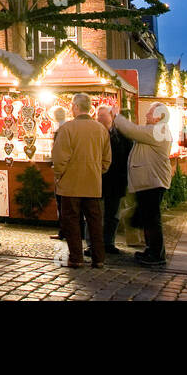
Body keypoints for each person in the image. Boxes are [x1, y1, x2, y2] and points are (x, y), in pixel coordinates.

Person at [52, 94, 111, 269]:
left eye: (72, 106)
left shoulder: (68, 128)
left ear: (76, 107)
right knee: (94, 222)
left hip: (70, 185)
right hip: (93, 185)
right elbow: (107, 159)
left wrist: (59, 175)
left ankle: (76, 258)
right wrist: (96, 172)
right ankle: (98, 258)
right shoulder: (100, 129)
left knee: (71, 222)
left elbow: (60, 157)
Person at [114, 102, 174, 267]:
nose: (146, 115)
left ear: (158, 116)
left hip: (152, 181)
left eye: (150, 113)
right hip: (150, 180)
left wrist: (117, 117)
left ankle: (156, 254)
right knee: (149, 218)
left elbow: (132, 131)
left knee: (152, 219)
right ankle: (151, 250)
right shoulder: (156, 130)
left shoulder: (158, 131)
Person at [95, 105, 132, 253]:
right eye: (98, 115)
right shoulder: (94, 133)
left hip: (115, 179)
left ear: (111, 117)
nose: (100, 118)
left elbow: (126, 154)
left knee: (112, 214)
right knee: (95, 213)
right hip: (97, 179)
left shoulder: (121, 135)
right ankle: (93, 244)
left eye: (103, 115)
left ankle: (108, 243)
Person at [50, 105, 70, 241]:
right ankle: (66, 231)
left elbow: (59, 152)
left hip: (63, 172)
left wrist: (57, 170)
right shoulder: (66, 127)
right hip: (65, 170)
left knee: (62, 203)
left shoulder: (61, 129)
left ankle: (64, 231)